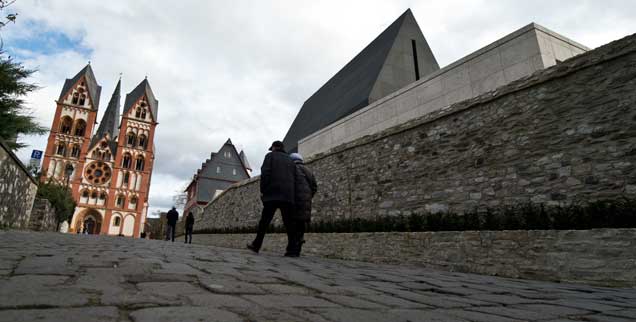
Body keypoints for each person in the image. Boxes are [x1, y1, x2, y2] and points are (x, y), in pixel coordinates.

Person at [247, 140, 297, 256]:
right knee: (289, 223)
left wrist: (263, 190)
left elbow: (265, 173)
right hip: (288, 195)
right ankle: (292, 250)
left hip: (272, 194)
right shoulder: (291, 160)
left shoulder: (270, 156)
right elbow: (295, 178)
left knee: (264, 222)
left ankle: (256, 245)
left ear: (274, 147)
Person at [289, 153, 317, 257]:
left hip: (295, 202)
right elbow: (314, 187)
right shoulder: (309, 171)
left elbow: (290, 185)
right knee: (301, 227)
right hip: (306, 204)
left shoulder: (292, 170)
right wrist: (308, 197)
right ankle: (298, 250)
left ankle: (292, 250)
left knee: (293, 226)